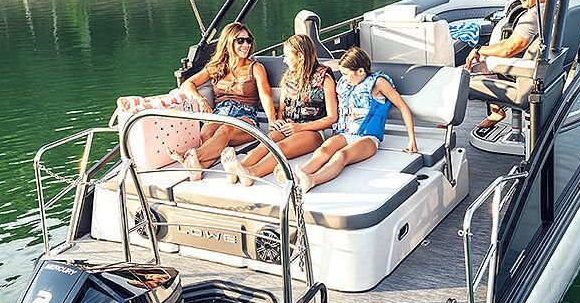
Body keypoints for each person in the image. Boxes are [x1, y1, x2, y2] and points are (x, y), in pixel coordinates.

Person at [282, 47, 418, 192]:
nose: (344, 78)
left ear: (360, 71)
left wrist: (412, 139)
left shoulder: (378, 83)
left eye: (346, 74)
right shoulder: (345, 84)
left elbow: (403, 107)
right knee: (324, 150)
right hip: (345, 134)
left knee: (341, 155)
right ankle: (297, 176)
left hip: (368, 138)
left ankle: (312, 180)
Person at [220, 34, 339, 186]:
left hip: (312, 131)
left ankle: (252, 173)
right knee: (266, 143)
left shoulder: (325, 79)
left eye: (287, 56)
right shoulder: (289, 77)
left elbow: (332, 117)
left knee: (281, 147)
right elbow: (282, 109)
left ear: (300, 56)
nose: (284, 60)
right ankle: (238, 169)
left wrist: (299, 127)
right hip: (288, 126)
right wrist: (278, 121)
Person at [175, 22, 276, 180]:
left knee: (225, 130)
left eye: (248, 40)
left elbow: (265, 96)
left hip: (246, 117)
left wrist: (272, 121)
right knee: (205, 133)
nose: (246, 45)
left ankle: (191, 156)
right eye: (240, 41)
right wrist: (201, 99)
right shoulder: (216, 66)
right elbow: (187, 84)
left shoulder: (255, 68)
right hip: (220, 113)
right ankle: (198, 168)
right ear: (229, 42)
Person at [464, 0, 549, 129]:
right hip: (544, 74)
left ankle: (443, 127)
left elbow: (509, 49)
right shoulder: (552, 8)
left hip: (526, 76)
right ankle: (495, 111)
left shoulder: (532, 16)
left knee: (462, 76)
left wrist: (478, 50)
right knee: (486, 58)